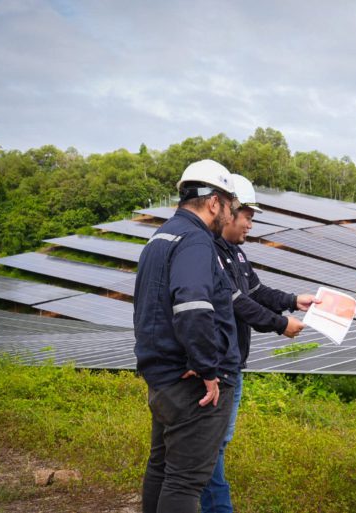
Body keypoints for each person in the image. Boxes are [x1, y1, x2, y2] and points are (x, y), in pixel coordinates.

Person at [200, 174, 319, 513]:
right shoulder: (207, 253)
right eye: (247, 215)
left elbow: (256, 292)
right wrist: (281, 325)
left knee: (219, 442)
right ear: (227, 210)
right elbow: (235, 301)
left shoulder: (236, 254)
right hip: (217, 365)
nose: (251, 224)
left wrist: (295, 300)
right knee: (212, 445)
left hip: (233, 363)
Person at [134, 159, 242, 513]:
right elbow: (193, 307)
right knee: (185, 482)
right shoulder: (196, 240)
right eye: (231, 206)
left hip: (162, 376)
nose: (232, 215)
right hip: (192, 385)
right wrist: (208, 369)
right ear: (214, 202)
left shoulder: (161, 237)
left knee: (161, 470)